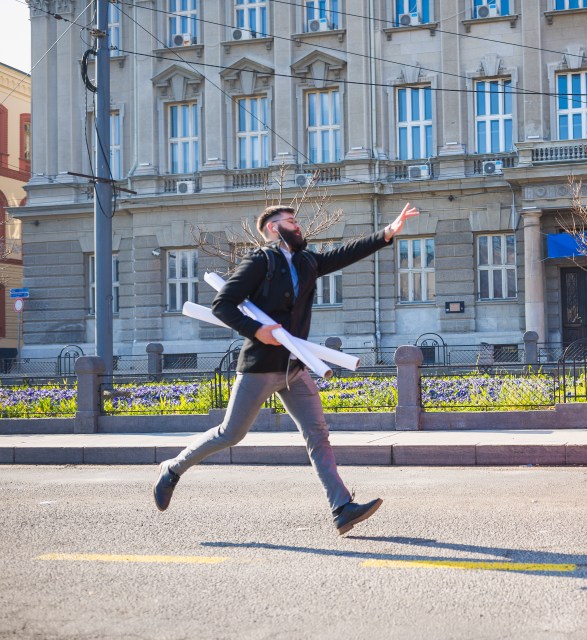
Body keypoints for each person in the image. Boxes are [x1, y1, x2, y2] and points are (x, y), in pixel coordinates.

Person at [153, 202, 420, 535]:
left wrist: (387, 233)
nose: (298, 227)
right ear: (273, 229)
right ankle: (173, 470)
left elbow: (344, 253)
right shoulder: (260, 262)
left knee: (318, 434)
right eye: (291, 222)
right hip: (260, 367)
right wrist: (257, 330)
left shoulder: (308, 262)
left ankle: (341, 508)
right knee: (231, 434)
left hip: (295, 367)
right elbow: (222, 304)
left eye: (297, 221)